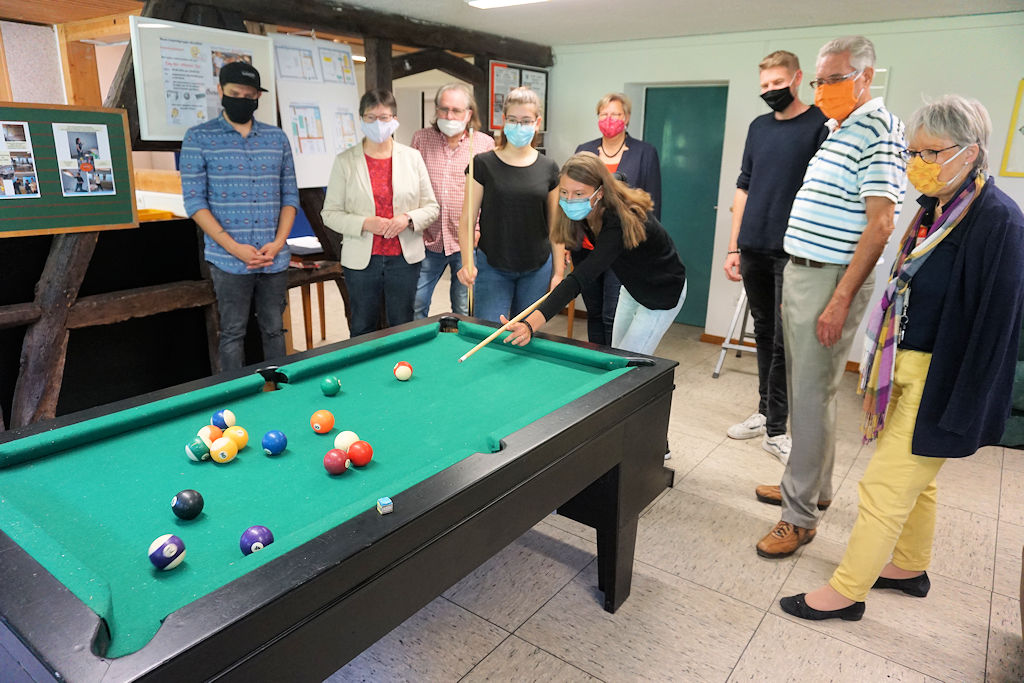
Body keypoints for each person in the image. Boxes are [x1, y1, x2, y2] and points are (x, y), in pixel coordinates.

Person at [780, 95, 1024, 621]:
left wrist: (962, 408)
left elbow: (996, 330)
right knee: (921, 480)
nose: (919, 163)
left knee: (883, 487)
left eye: (931, 153)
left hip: (941, 379)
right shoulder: (935, 207)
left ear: (970, 152)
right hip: (904, 367)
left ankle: (846, 592)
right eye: (914, 152)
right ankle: (909, 566)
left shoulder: (999, 221)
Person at [755, 36, 907, 559]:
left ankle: (797, 518)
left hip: (830, 279)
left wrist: (839, 298)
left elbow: (881, 224)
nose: (823, 89)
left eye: (834, 79)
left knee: (812, 391)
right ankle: (811, 488)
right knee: (808, 390)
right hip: (804, 272)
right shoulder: (840, 127)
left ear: (866, 77)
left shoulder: (881, 130)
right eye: (819, 79)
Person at [723, 51, 828, 464]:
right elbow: (743, 187)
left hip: (795, 251)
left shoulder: (819, 124)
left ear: (797, 78)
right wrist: (733, 246)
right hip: (753, 246)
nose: (770, 91)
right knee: (764, 332)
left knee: (787, 339)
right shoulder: (759, 127)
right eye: (764, 85)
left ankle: (778, 429)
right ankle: (766, 413)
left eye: (777, 83)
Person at [502, 152, 685, 357]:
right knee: (616, 355)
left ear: (599, 193)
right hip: (632, 285)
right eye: (564, 192)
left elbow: (581, 277)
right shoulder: (583, 209)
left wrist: (530, 324)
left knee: (629, 363)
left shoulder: (618, 219)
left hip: (661, 289)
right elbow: (580, 270)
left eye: (578, 193)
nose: (569, 200)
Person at [181, 61, 298, 371]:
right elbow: (194, 203)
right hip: (228, 259)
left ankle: (278, 390)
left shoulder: (277, 139)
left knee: (275, 328)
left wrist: (278, 242)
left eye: (250, 95)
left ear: (258, 96)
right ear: (220, 91)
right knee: (233, 332)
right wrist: (234, 248)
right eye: (235, 93)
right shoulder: (198, 138)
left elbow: (290, 197)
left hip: (274, 257)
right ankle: (233, 399)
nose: (243, 100)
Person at [321, 89, 439, 338]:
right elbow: (329, 213)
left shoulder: (412, 158)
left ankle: (403, 370)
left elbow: (431, 207)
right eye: (371, 117)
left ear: (395, 118)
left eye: (384, 117)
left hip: (404, 258)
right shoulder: (345, 161)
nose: (378, 124)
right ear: (361, 119)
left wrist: (407, 218)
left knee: (402, 323)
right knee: (363, 324)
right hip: (362, 260)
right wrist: (364, 222)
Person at [457, 87, 563, 323]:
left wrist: (558, 273)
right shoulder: (482, 164)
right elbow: (467, 219)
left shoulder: (549, 168)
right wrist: (466, 262)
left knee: (526, 337)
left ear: (537, 123)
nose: (519, 126)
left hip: (537, 268)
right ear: (504, 121)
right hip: (492, 265)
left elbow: (556, 227)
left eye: (526, 121)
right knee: (489, 335)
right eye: (513, 120)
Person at [573, 93, 662, 345]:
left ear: (627, 118)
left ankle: (613, 372)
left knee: (613, 314)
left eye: (616, 114)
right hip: (587, 248)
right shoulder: (584, 150)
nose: (609, 119)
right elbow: (573, 196)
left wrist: (649, 250)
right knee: (593, 312)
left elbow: (652, 204)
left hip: (622, 250)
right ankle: (595, 364)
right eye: (604, 114)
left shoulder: (645, 153)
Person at [411, 83, 495, 318]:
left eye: (456, 110)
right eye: (444, 109)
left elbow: (490, 195)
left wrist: (478, 228)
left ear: (469, 114)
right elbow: (410, 186)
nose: (449, 116)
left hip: (466, 242)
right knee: (416, 302)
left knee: (463, 307)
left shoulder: (484, 144)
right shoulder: (421, 139)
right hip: (428, 238)